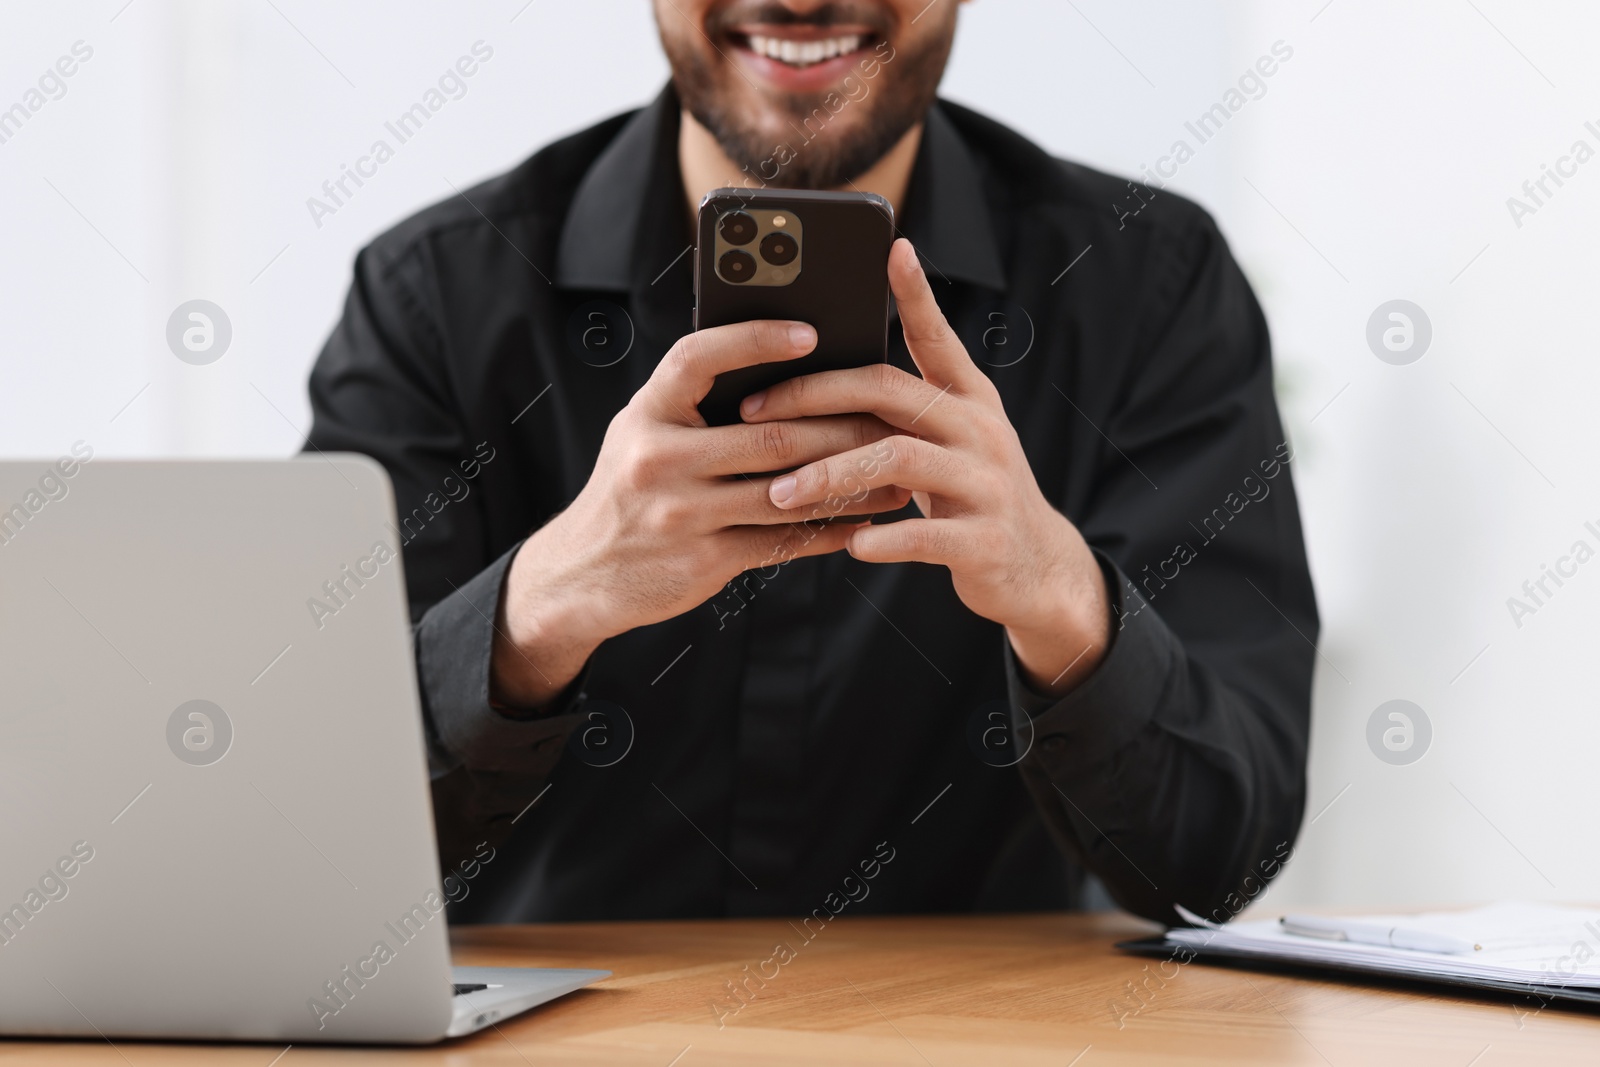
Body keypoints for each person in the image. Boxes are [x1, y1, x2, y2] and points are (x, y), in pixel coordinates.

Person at [305, 0, 1317, 926]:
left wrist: (1063, 598)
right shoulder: (434, 298)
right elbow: (308, 851)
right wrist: (536, 609)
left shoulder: (1149, 288)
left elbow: (1216, 864)